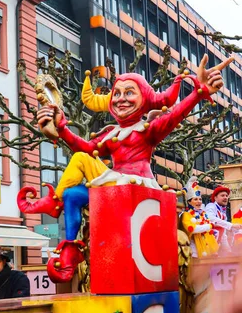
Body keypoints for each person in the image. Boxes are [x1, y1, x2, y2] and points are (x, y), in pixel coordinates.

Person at [18, 54, 231, 282]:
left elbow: (176, 114)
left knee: (80, 159)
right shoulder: (112, 134)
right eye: (117, 94)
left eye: (129, 93)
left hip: (137, 186)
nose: (121, 99)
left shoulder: (147, 129)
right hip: (115, 185)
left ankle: (53, 203)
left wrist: (199, 92)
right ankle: (71, 248)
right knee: (72, 194)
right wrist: (61, 128)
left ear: (145, 99)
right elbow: (88, 147)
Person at [180, 177, 218, 258]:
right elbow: (192, 229)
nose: (199, 202)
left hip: (208, 250)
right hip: (194, 253)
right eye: (195, 199)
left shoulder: (203, 214)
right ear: (189, 202)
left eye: (200, 199)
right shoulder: (185, 215)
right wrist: (210, 226)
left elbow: (209, 231)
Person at [205, 186, 240, 252]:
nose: (225, 197)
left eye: (226, 196)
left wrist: (228, 251)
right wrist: (231, 225)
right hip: (207, 245)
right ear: (215, 198)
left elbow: (223, 234)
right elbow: (210, 218)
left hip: (216, 246)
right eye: (222, 195)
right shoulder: (211, 206)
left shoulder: (223, 213)